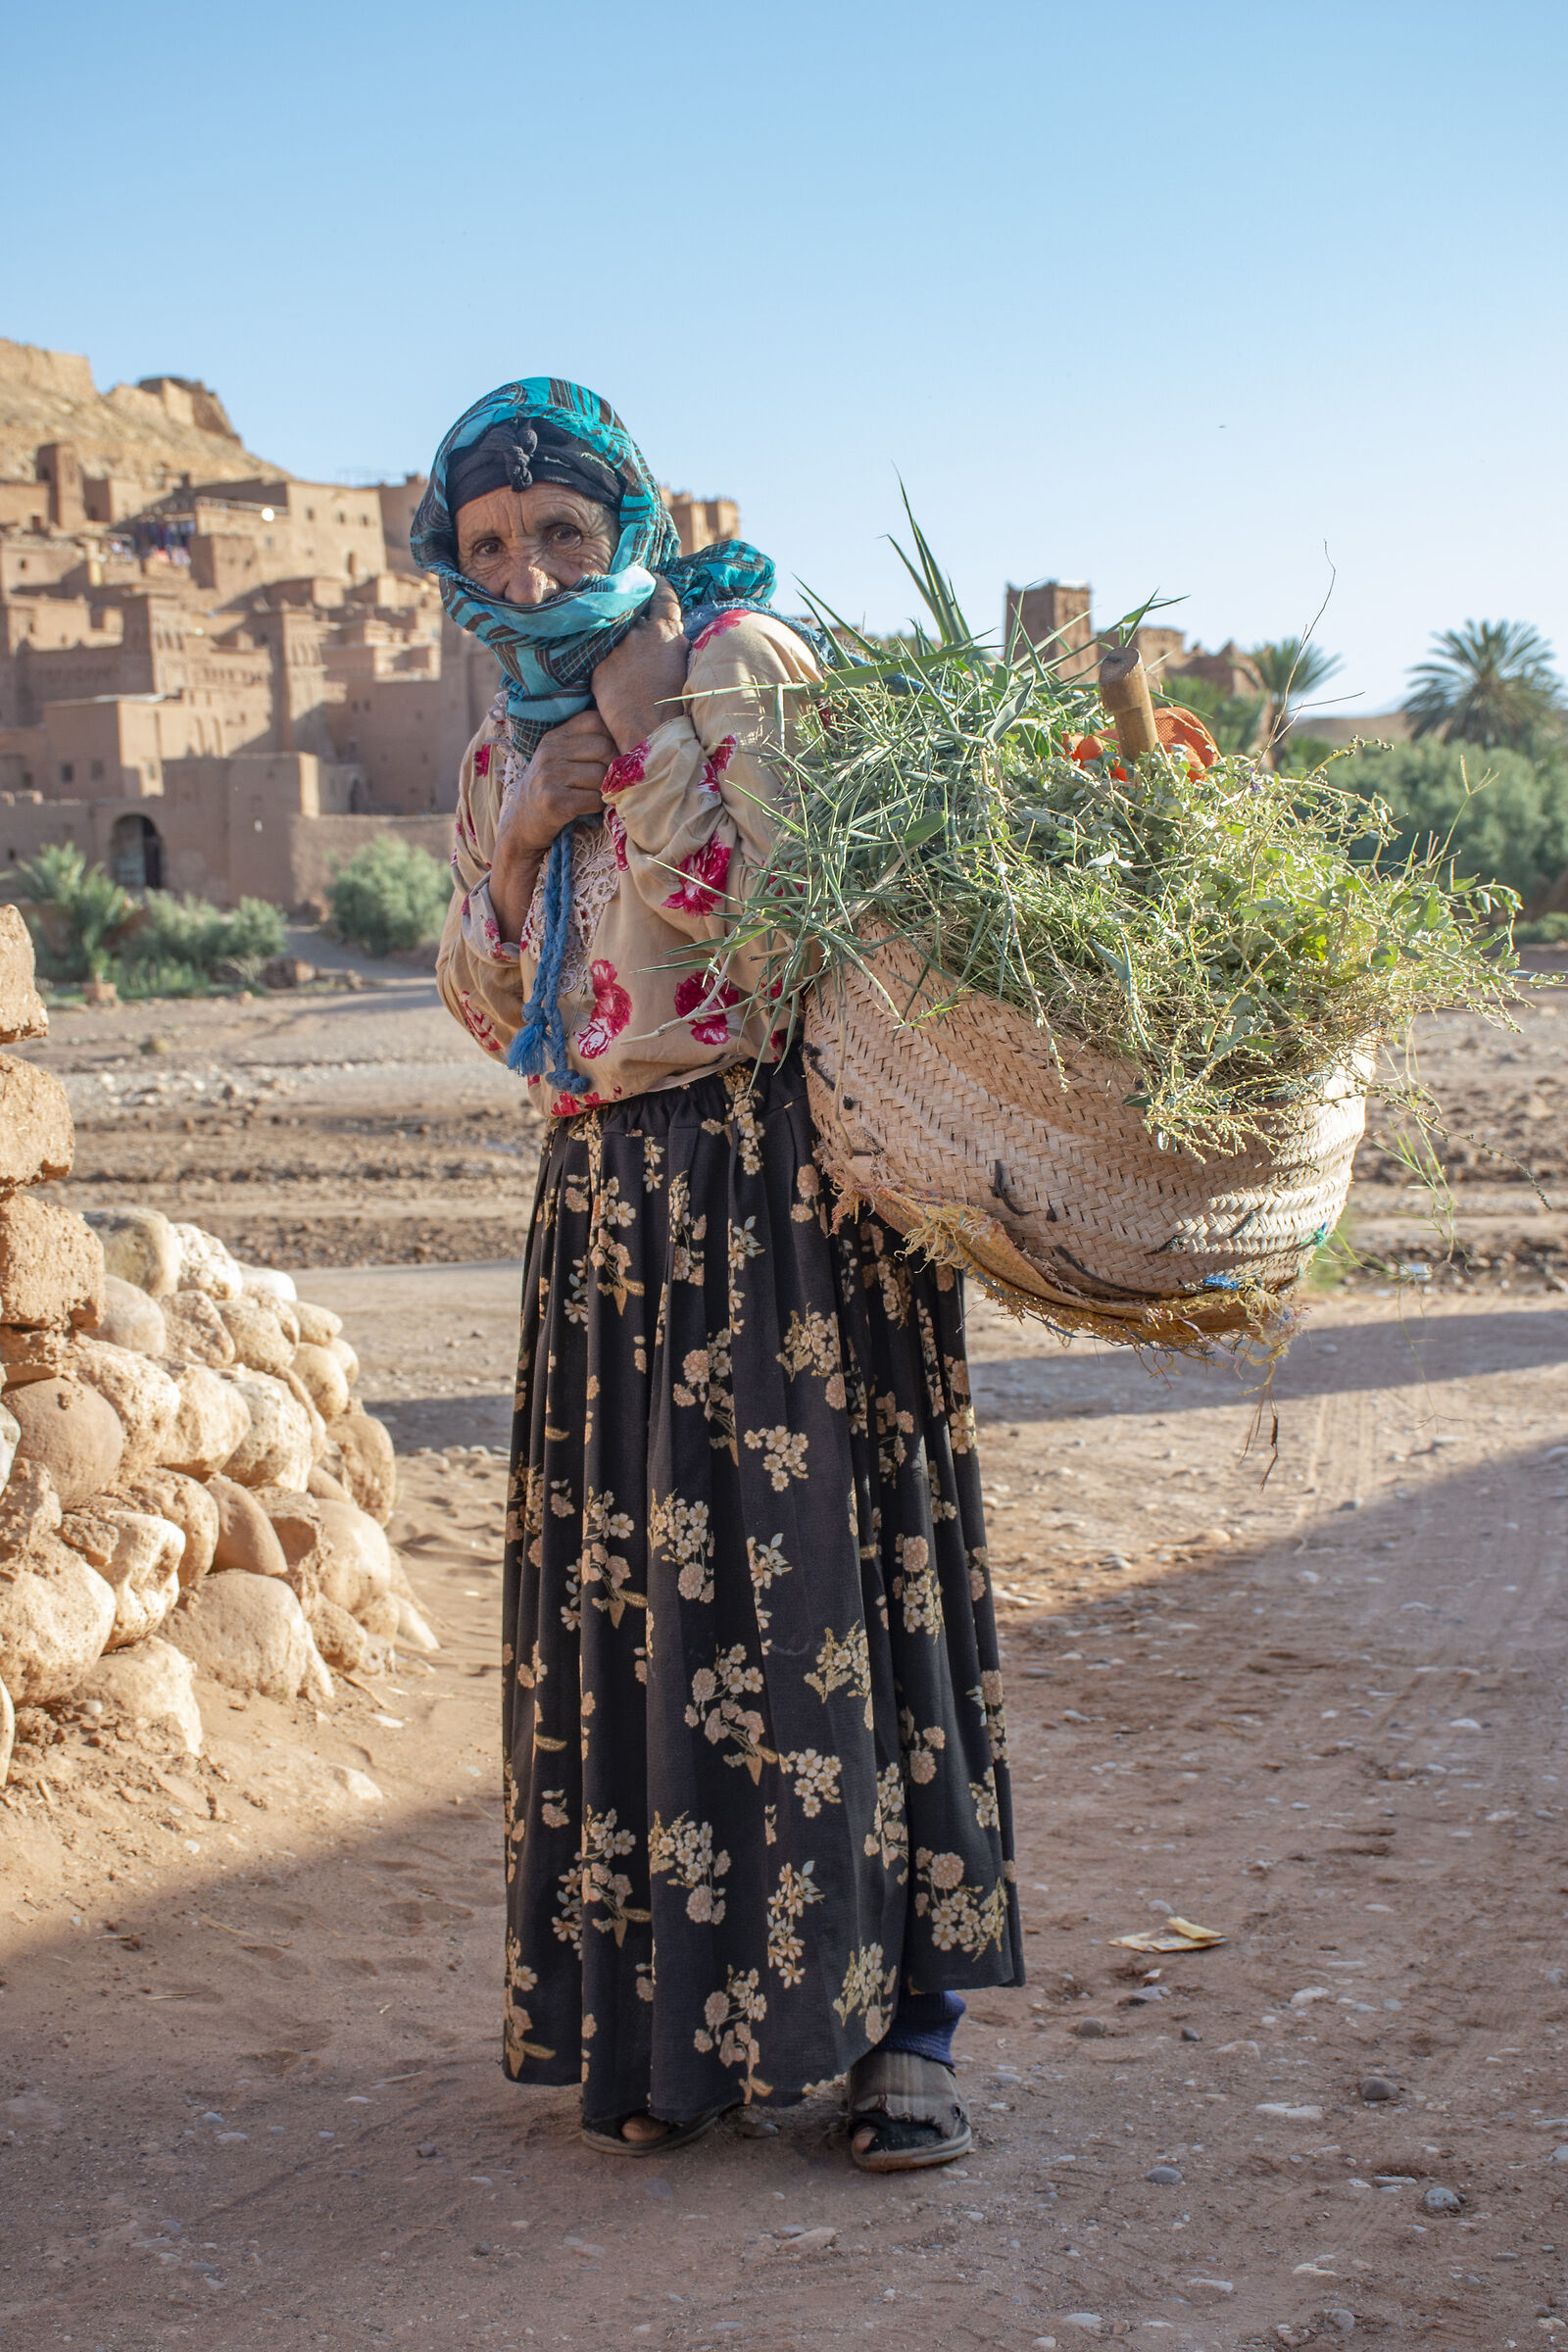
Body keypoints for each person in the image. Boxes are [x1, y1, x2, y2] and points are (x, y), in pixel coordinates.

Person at [421, 379, 1021, 2169]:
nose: (530, 574)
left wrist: (650, 746)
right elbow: (490, 1008)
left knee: (832, 1592)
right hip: (608, 1220)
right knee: (645, 1622)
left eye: (563, 532)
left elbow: (782, 937)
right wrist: (525, 832)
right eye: (490, 546)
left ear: (633, 521)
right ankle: (675, 2032)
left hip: (789, 1198)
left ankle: (906, 2033)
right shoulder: (499, 751)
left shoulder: (741, 667)